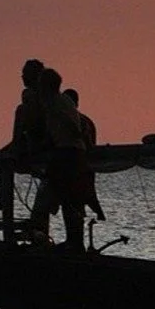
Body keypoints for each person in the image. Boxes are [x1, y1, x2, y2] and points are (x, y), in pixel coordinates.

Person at [30, 66, 91, 251]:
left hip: (68, 152)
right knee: (67, 198)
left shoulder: (56, 103)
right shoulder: (61, 102)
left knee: (63, 197)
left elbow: (72, 127)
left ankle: (70, 241)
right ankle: (72, 241)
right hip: (67, 151)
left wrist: (73, 135)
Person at [0, 58, 49, 238]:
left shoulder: (33, 97)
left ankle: (3, 199)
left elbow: (30, 123)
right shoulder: (45, 97)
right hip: (34, 141)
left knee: (4, 159)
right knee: (4, 156)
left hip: (38, 143)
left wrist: (15, 144)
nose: (21, 76)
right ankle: (4, 199)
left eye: (25, 73)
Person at [64, 88, 105, 223]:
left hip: (78, 164)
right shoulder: (86, 120)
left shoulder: (79, 121)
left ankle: (75, 239)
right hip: (85, 165)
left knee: (75, 202)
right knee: (82, 199)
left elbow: (87, 143)